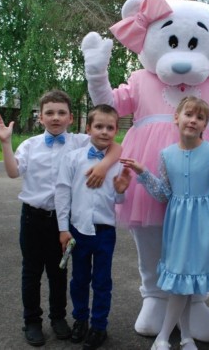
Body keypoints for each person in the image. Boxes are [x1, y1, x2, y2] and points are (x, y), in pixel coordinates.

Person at [0, 89, 121, 347]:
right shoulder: (30, 145)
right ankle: (32, 321)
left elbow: (115, 146)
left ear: (71, 118)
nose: (55, 117)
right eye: (49, 113)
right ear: (40, 117)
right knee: (31, 272)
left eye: (61, 113)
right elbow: (13, 172)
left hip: (63, 222)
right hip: (33, 218)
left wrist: (103, 166)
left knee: (59, 272)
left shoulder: (81, 141)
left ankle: (58, 318)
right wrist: (5, 143)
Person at [121, 96, 209, 350]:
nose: (193, 120)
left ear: (205, 125)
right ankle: (179, 337)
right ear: (176, 118)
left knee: (187, 283)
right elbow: (163, 194)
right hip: (178, 227)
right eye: (188, 114)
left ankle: (174, 337)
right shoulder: (166, 154)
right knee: (182, 282)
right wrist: (142, 172)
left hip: (203, 227)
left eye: (200, 117)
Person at [55, 104, 133, 350]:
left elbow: (117, 199)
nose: (104, 132)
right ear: (88, 128)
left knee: (102, 281)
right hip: (78, 230)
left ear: (116, 131)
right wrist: (63, 228)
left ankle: (99, 326)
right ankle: (80, 320)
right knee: (79, 280)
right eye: (99, 126)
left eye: (110, 127)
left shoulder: (117, 164)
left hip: (104, 232)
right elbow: (62, 193)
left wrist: (121, 191)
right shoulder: (72, 159)